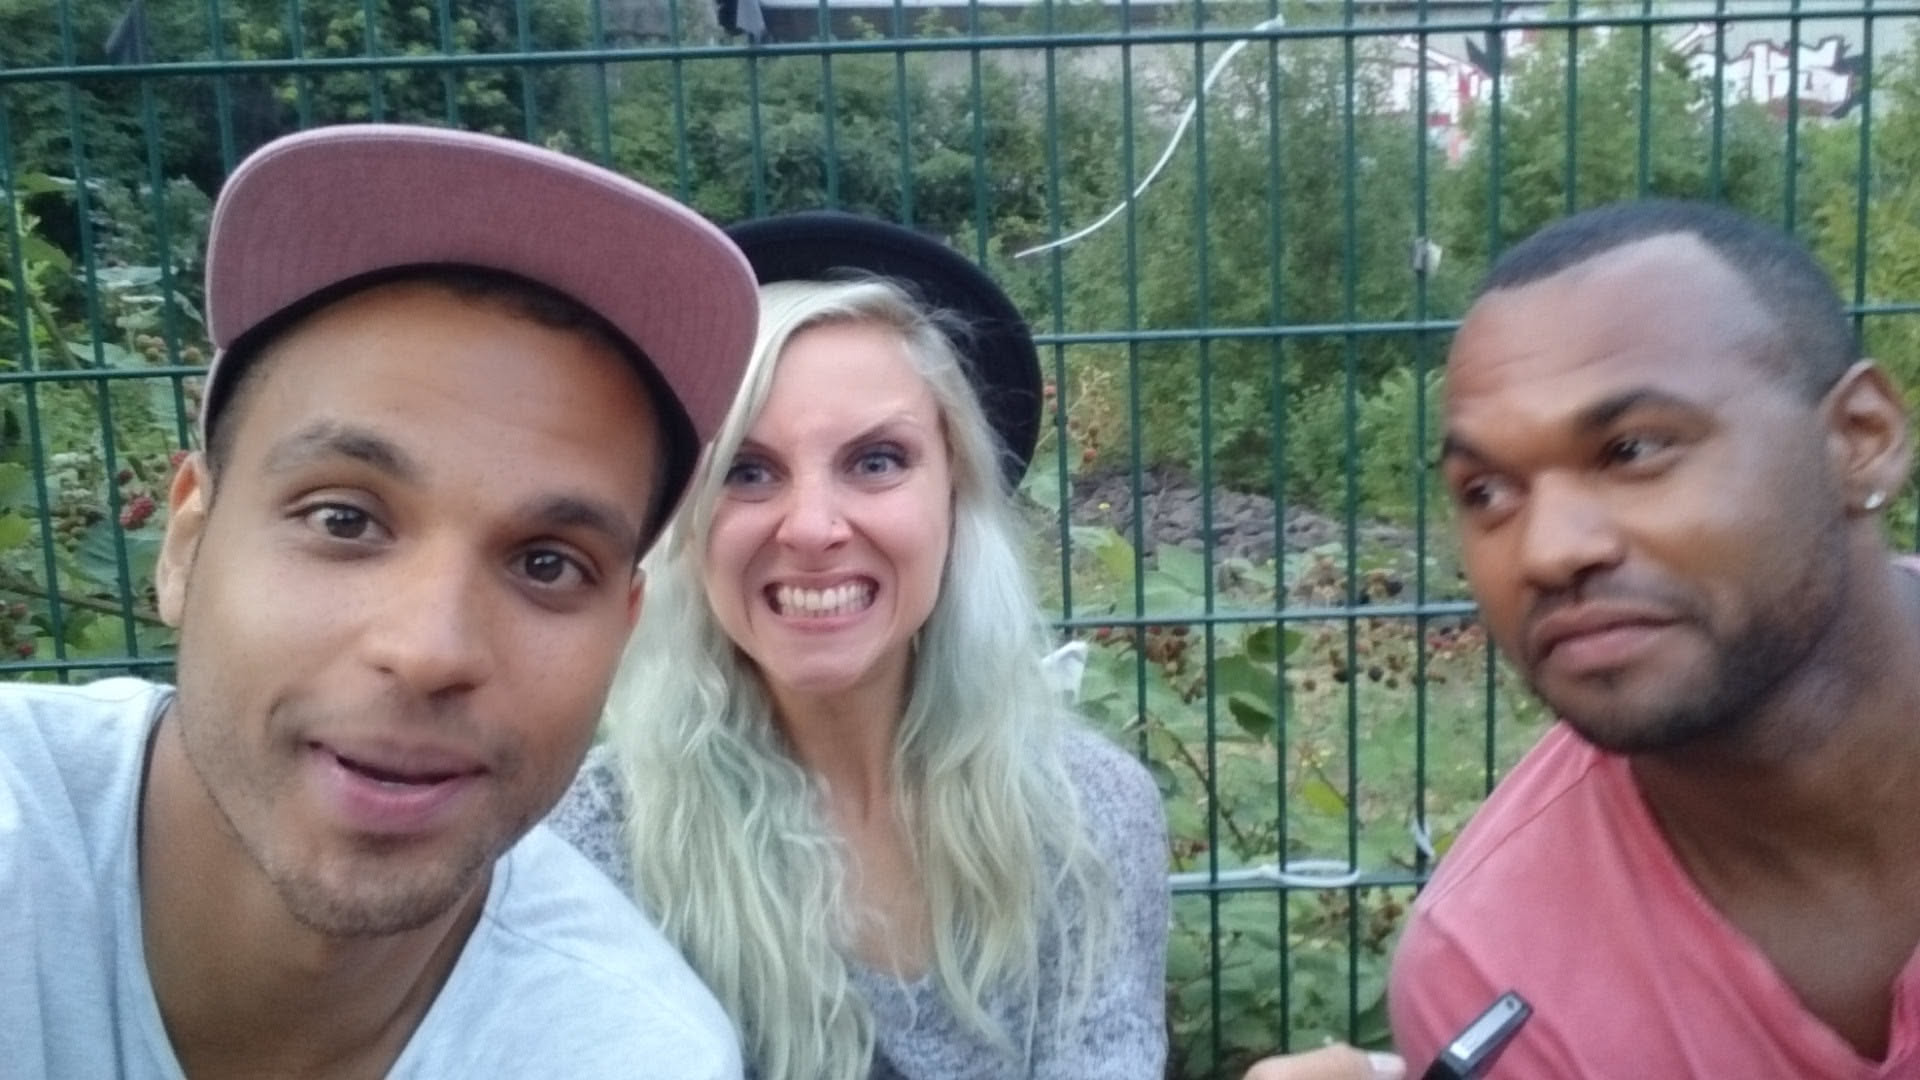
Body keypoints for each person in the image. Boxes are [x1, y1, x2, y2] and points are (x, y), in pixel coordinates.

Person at [0, 124, 761, 1078]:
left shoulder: (627, 1052)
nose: (430, 649)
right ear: (186, 544)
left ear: (624, 632)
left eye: (547, 565)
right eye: (343, 519)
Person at [546, 212, 1171, 1079]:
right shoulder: (588, 857)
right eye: (747, 471)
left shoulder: (1092, 821)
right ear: (687, 519)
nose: (811, 527)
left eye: (876, 461)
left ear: (956, 494)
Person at [1388, 199, 1920, 1076]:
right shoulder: (1492, 977)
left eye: (1633, 450)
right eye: (1486, 492)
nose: (1550, 551)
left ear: (1860, 439)